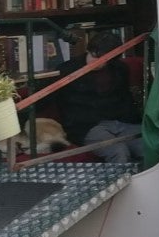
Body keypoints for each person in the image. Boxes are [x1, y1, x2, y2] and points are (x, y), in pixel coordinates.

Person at [56, 30, 143, 164]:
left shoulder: (120, 69)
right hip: (88, 126)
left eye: (102, 59)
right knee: (118, 151)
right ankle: (122, 184)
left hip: (120, 122)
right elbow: (47, 97)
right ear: (88, 50)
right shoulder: (68, 70)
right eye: (93, 55)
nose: (95, 61)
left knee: (149, 146)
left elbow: (125, 98)